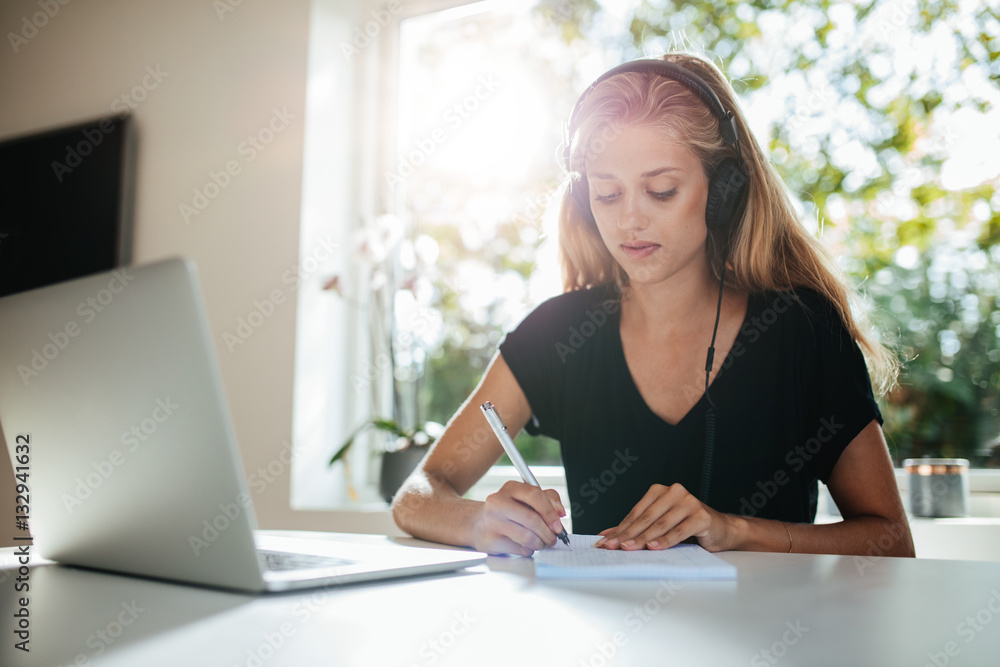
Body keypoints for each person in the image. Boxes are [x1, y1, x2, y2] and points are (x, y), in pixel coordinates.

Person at [391, 52, 915, 559]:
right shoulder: (558, 333)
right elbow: (420, 493)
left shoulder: (801, 331)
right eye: (608, 194)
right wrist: (479, 519)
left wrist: (733, 530)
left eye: (661, 191)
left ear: (722, 191)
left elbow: (890, 539)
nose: (630, 221)